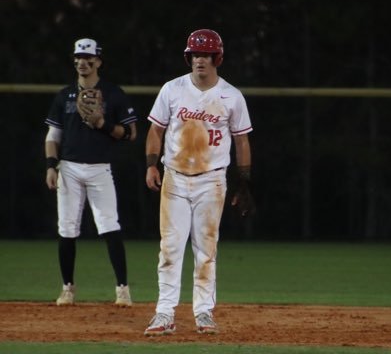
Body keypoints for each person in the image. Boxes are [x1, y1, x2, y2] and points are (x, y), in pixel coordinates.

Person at [144, 29, 254, 335]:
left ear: (216, 58)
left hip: (212, 181)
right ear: (188, 57)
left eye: (205, 55)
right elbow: (155, 131)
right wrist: (152, 165)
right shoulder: (173, 89)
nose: (199, 60)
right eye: (194, 54)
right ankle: (164, 314)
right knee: (170, 248)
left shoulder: (231, 95)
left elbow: (242, 140)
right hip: (174, 178)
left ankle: (203, 312)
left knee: (206, 249)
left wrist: (244, 181)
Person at [44, 38, 137, 306]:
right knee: (67, 227)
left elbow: (130, 134)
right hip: (69, 168)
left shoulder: (114, 93)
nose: (83, 63)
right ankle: (67, 289)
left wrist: (102, 124)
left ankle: (123, 290)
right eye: (79, 58)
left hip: (100, 168)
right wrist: (51, 166)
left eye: (89, 58)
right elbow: (53, 135)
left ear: (98, 61)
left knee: (110, 225)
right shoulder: (64, 95)